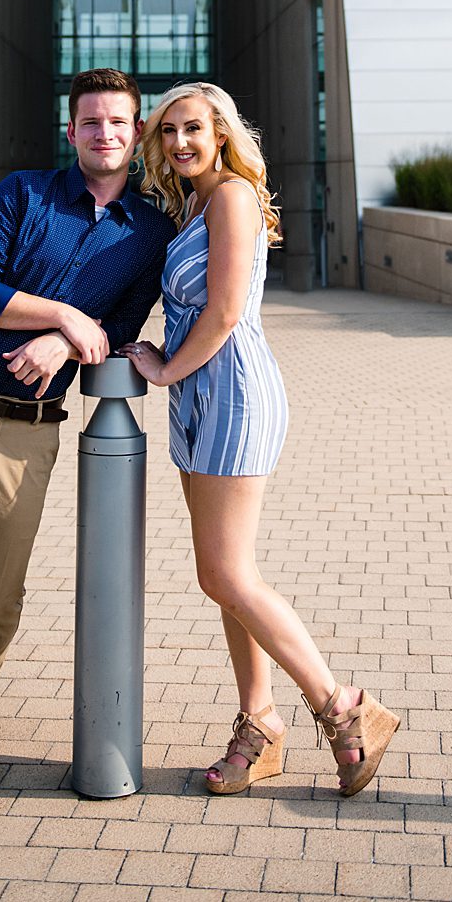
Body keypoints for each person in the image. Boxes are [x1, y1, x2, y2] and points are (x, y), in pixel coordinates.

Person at [0, 66, 178, 826]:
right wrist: (61, 313)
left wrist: (64, 341)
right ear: (72, 129)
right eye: (91, 122)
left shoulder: (149, 233)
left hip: (29, 428)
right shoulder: (23, 194)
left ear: (136, 130)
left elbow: (118, 326)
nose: (105, 133)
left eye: (118, 122)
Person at [119, 82, 399, 797]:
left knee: (226, 575)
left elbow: (224, 309)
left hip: (232, 396)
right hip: (197, 400)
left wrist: (163, 366)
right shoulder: (189, 203)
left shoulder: (233, 197)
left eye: (193, 128)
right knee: (227, 576)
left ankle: (346, 710)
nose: (180, 142)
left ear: (220, 132)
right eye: (169, 131)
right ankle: (260, 721)